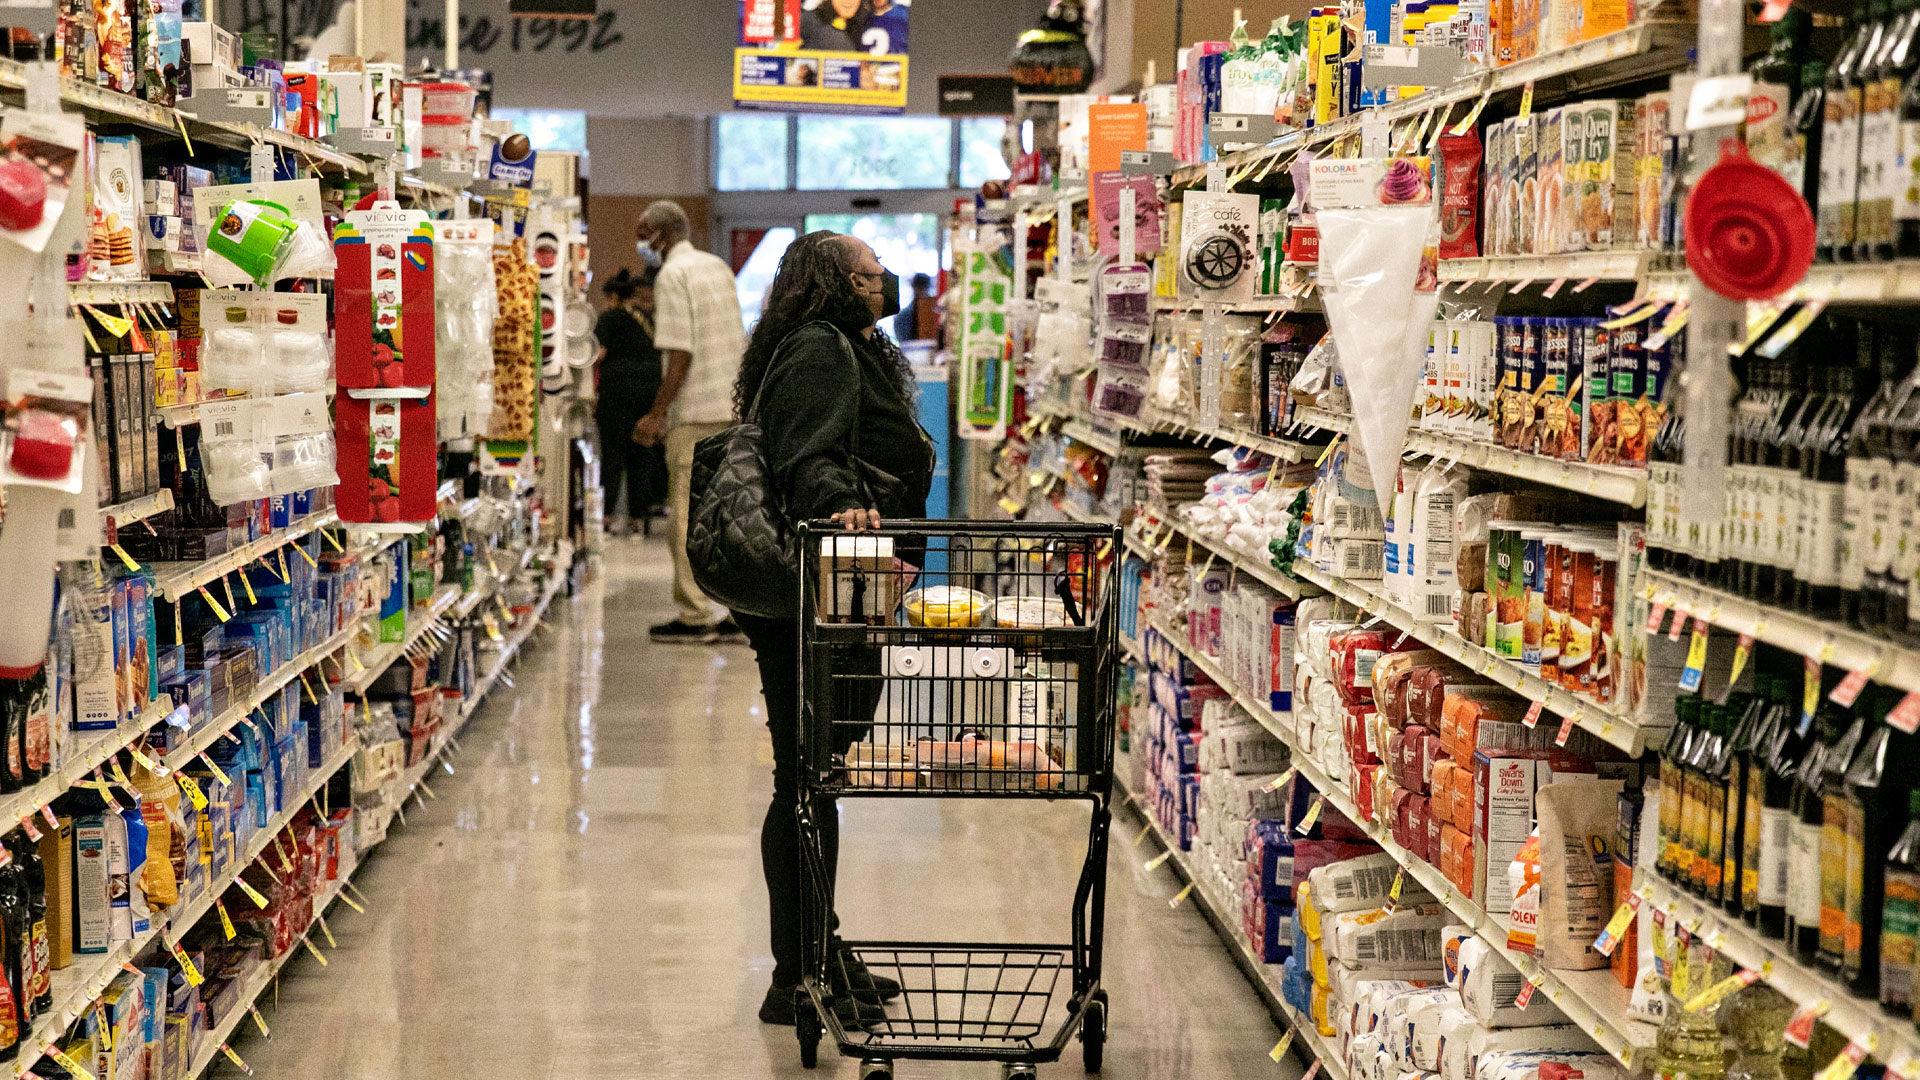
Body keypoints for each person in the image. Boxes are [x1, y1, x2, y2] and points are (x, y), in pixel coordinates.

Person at [728, 231, 933, 1027]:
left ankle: (819, 948)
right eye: (871, 276)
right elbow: (808, 458)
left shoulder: (840, 342)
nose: (884, 287)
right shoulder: (819, 347)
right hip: (816, 590)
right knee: (806, 779)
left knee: (816, 775)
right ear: (835, 283)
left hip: (838, 583)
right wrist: (842, 514)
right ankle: (795, 975)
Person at [633, 200, 747, 645]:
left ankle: (696, 614)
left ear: (661, 234)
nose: (641, 243)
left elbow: (680, 354)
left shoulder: (672, 276)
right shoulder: (717, 266)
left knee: (685, 516)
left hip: (696, 414)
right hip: (731, 409)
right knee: (731, 516)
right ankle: (740, 610)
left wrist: (657, 414)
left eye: (643, 232)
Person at [593, 268, 667, 537]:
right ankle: (637, 519)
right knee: (643, 455)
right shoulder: (658, 322)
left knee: (612, 456)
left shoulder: (611, 318)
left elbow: (598, 355)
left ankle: (607, 517)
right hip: (650, 393)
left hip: (615, 394)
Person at [889, 271, 939, 343]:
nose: (923, 291)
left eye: (924, 287)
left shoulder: (901, 316)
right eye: (922, 287)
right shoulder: (903, 316)